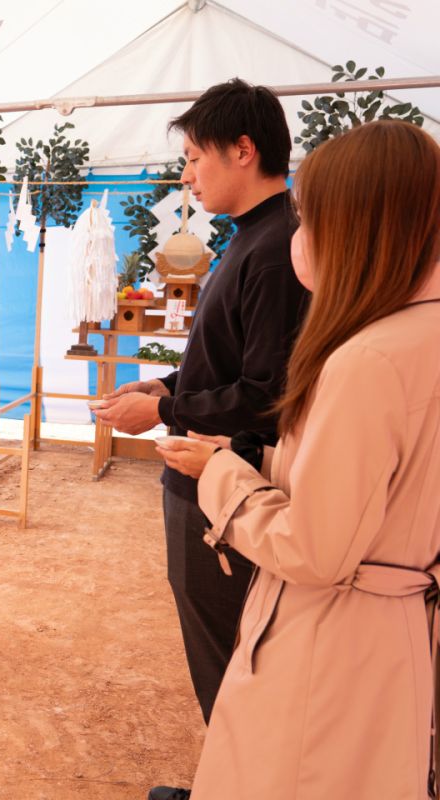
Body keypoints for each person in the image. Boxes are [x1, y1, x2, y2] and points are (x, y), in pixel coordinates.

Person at [156, 119, 440, 799]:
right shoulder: (415, 334)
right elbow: (381, 485)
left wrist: (222, 472)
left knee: (290, 769)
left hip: (336, 633)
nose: (299, 239)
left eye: (309, 220)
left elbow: (316, 546)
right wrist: (268, 460)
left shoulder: (368, 359)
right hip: (390, 623)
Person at [94, 79, 309, 792]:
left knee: (232, 658)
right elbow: (229, 361)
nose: (186, 174)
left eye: (194, 156)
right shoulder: (255, 238)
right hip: (209, 478)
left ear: (243, 151)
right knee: (225, 652)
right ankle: (232, 778)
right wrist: (165, 388)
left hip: (228, 489)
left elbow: (268, 395)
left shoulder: (278, 248)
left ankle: (242, 783)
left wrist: (164, 413)